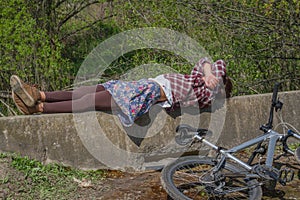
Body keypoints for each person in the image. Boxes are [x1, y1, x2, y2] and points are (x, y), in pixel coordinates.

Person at [10, 57, 232, 127]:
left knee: (90, 100)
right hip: (143, 85)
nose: (213, 81)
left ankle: (38, 108)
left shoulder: (204, 94)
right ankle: (39, 96)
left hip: (146, 93)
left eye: (217, 83)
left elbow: (219, 65)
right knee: (89, 90)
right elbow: (207, 61)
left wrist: (213, 78)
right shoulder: (200, 76)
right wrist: (208, 72)